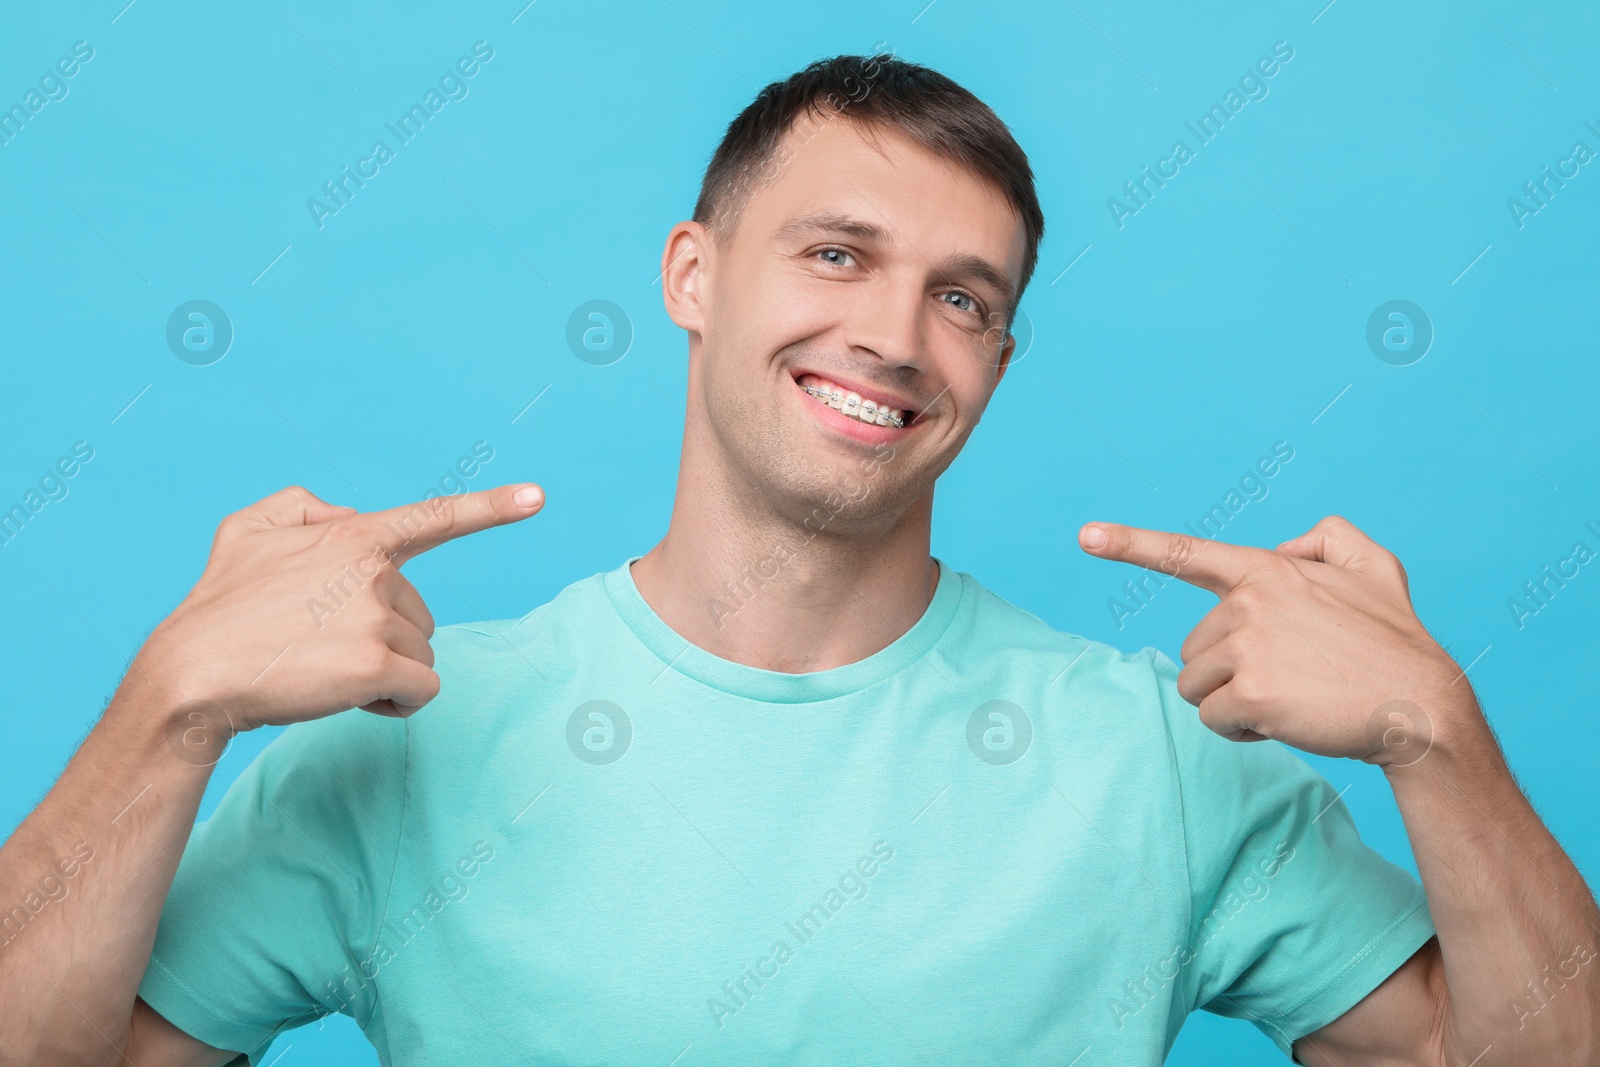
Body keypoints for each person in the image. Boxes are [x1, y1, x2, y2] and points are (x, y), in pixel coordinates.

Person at [2, 53, 1595, 1067]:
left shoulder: (1162, 760)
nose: (895, 337)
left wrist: (1437, 737)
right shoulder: (404, 749)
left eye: (966, 299)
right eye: (837, 254)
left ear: (998, 362)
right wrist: (169, 709)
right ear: (694, 276)